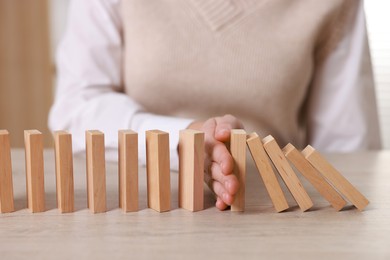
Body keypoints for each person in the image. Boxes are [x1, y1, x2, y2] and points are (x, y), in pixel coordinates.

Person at [49, 0, 381, 210]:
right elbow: (75, 109)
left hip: (269, 216)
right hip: (132, 207)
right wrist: (182, 139)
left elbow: (348, 151)